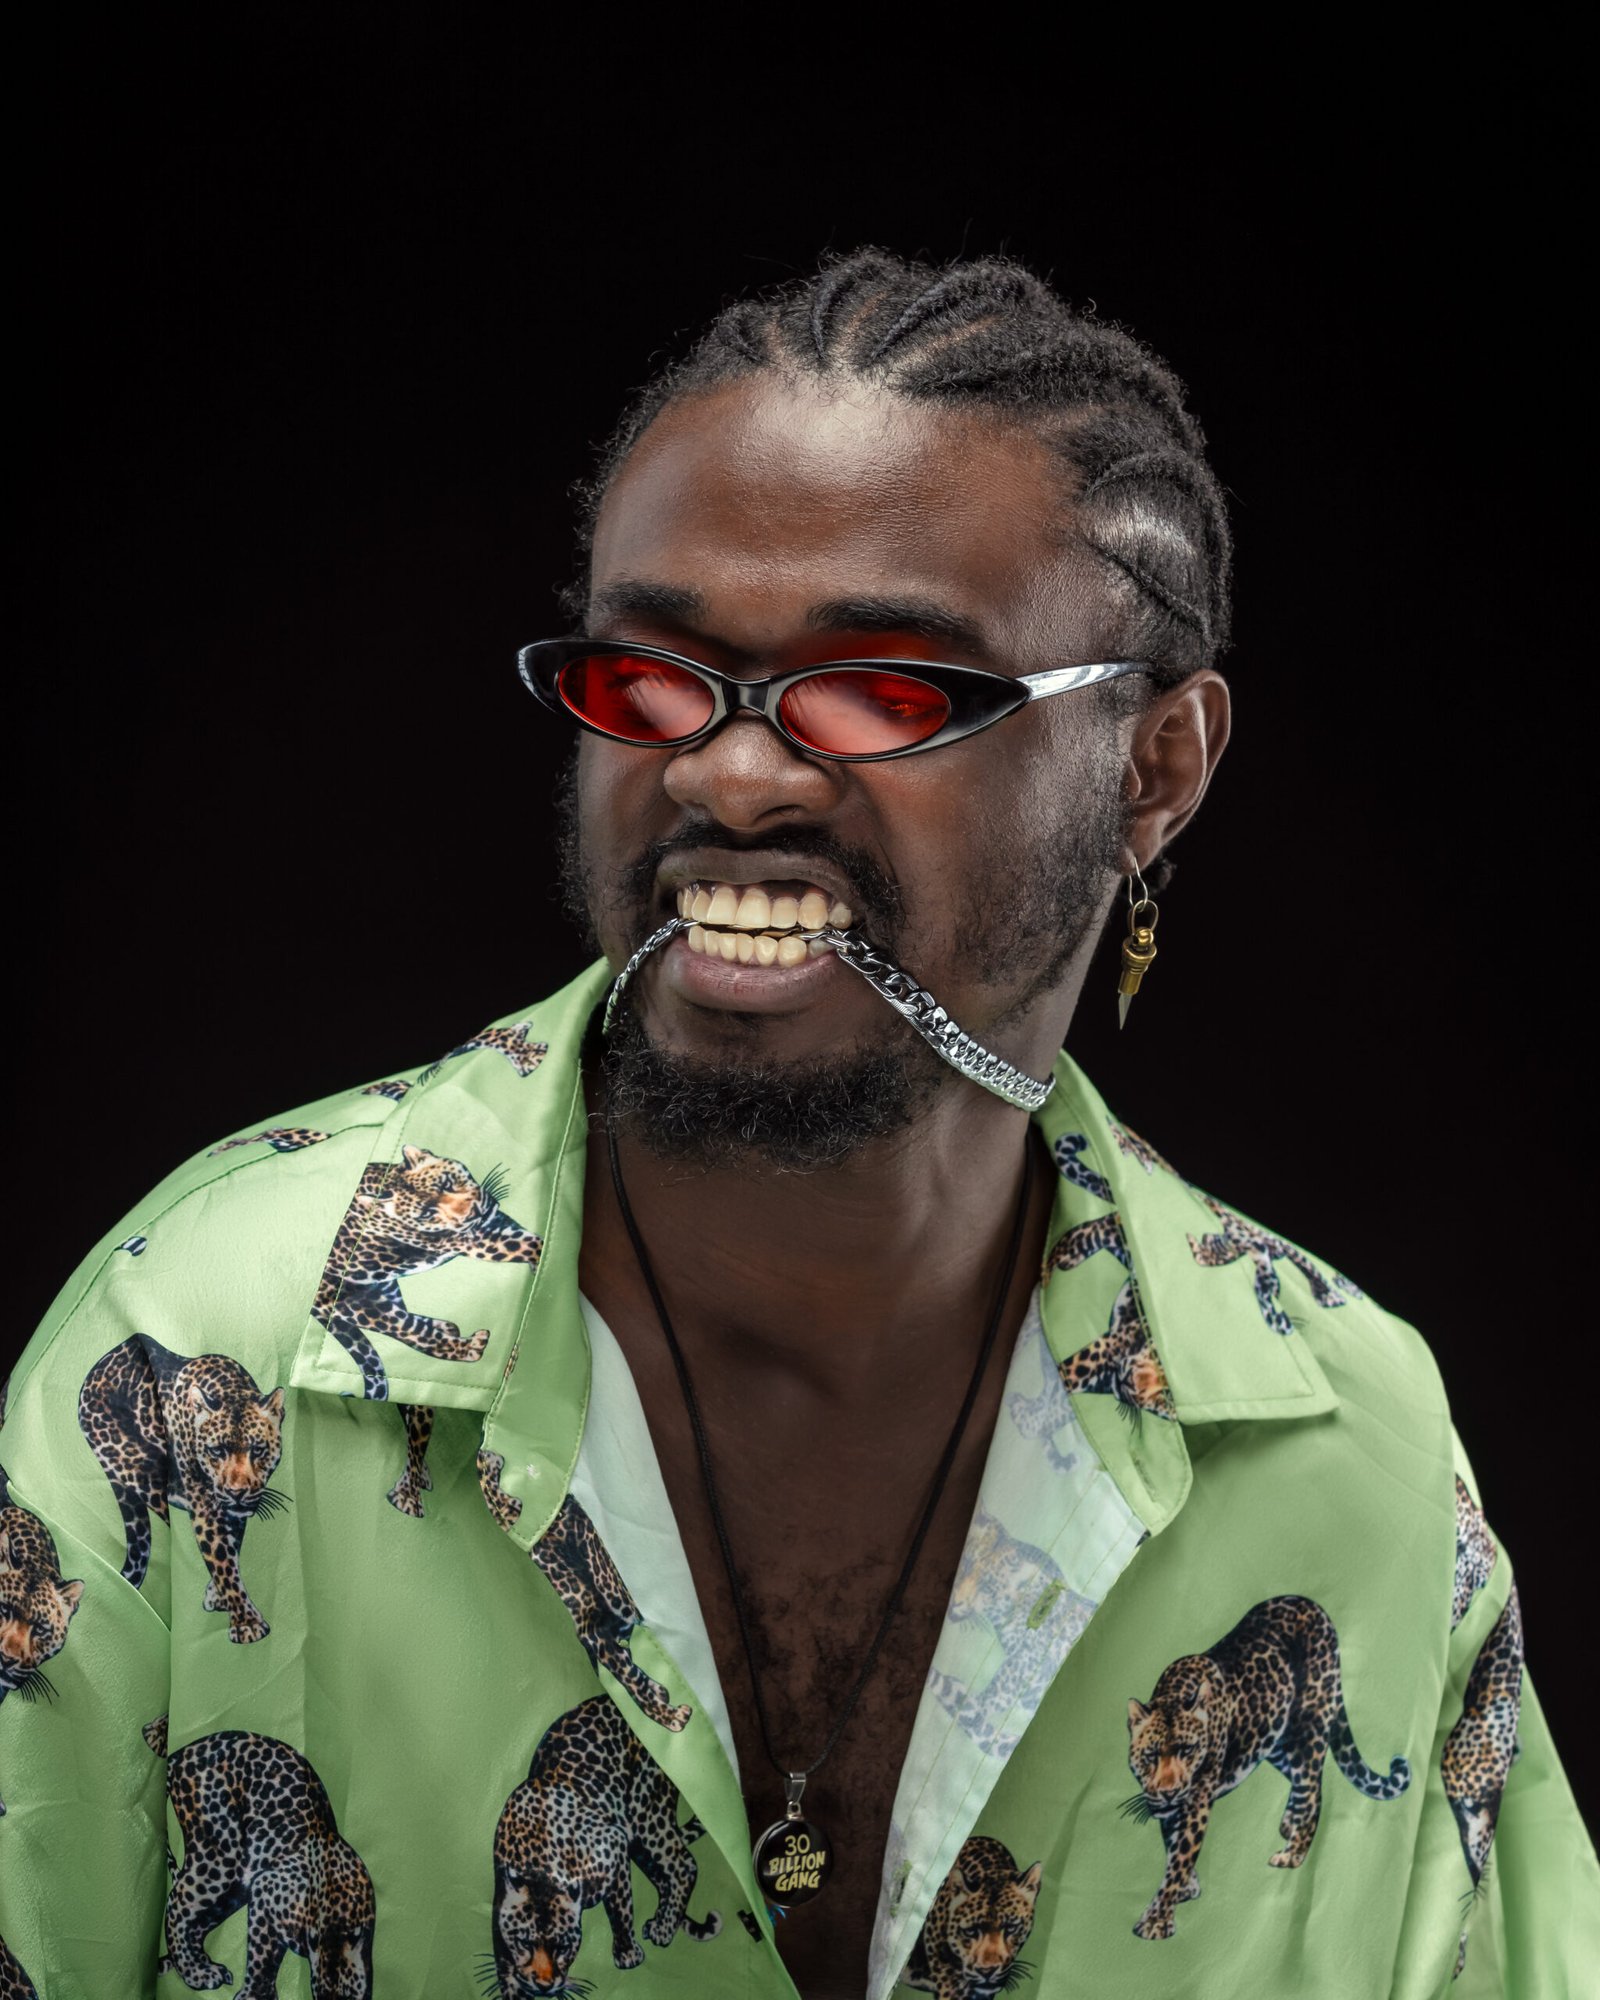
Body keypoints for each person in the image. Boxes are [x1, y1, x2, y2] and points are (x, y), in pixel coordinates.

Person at [0, 248, 1592, 2000]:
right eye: (648, 680)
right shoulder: (196, 1347)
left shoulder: (1353, 1456)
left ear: (1155, 771)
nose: (730, 773)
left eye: (889, 689)